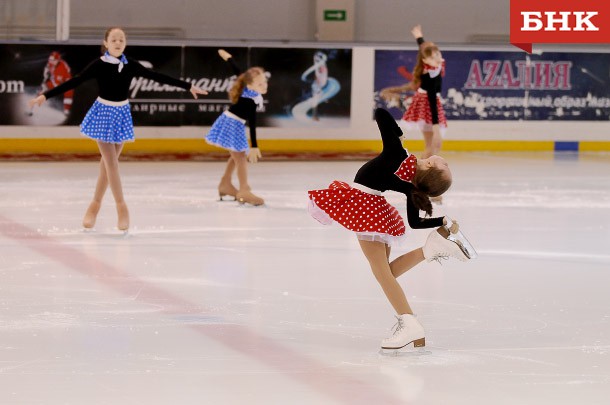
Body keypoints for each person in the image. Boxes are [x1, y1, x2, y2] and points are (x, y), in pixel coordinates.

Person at [308, 108, 472, 351]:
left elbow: (380, 113)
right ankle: (431, 249)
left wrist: (397, 134)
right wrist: (442, 221)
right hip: (374, 208)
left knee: (382, 273)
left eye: (439, 161)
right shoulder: (411, 183)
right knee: (386, 273)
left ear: (428, 164)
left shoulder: (398, 154)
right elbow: (415, 223)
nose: (436, 157)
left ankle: (409, 322)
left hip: (364, 207)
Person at [28, 27, 207, 232]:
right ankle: (122, 208)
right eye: (113, 39)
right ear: (106, 43)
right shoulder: (99, 65)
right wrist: (46, 96)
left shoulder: (130, 65)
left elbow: (156, 76)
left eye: (121, 39)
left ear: (125, 43)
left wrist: (188, 86)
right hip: (103, 114)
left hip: (121, 114)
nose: (118, 42)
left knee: (107, 166)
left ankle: (94, 205)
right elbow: (75, 81)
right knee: (112, 164)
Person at [205, 49, 267, 206]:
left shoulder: (250, 92)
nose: (264, 85)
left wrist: (229, 58)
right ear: (251, 84)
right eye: (260, 83)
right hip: (231, 124)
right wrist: (254, 146)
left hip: (233, 123)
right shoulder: (251, 100)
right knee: (240, 158)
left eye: (265, 81)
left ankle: (225, 184)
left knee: (237, 155)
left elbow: (237, 70)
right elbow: (252, 123)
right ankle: (244, 190)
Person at [401, 24, 447, 160]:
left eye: (438, 54)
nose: (438, 58)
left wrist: (419, 37)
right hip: (427, 104)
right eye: (434, 57)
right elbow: (432, 100)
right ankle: (420, 172)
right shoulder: (430, 74)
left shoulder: (432, 64)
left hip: (427, 101)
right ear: (426, 60)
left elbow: (425, 50)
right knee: (432, 146)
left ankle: (422, 171)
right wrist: (436, 127)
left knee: (433, 146)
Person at [40, 51, 74, 116]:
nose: (51, 61)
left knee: (69, 91)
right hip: (55, 81)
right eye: (50, 60)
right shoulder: (50, 63)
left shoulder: (63, 67)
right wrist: (46, 75)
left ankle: (66, 110)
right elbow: (46, 71)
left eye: (53, 60)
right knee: (44, 87)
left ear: (58, 60)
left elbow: (63, 81)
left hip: (64, 82)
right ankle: (37, 102)